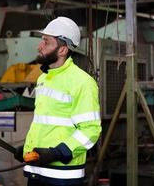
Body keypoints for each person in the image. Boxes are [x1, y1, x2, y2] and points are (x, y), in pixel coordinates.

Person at [14, 16, 102, 186]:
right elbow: (46, 125)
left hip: (63, 177)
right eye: (42, 41)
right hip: (36, 171)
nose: (39, 47)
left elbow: (90, 130)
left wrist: (58, 153)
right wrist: (27, 149)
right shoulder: (43, 79)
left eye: (46, 42)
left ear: (62, 50)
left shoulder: (82, 82)